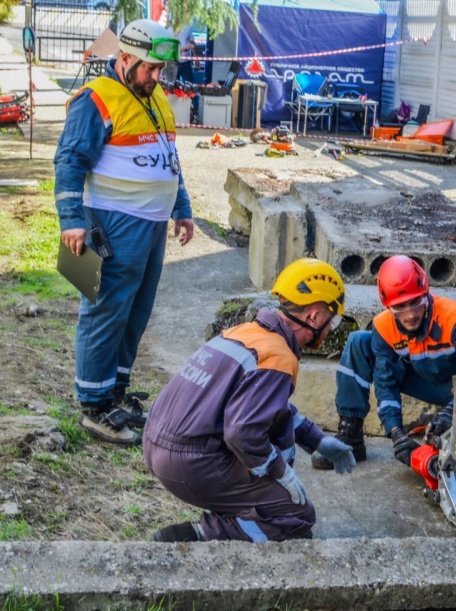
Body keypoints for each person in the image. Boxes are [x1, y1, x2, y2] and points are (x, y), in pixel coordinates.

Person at [144, 258, 356, 543]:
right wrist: (281, 472)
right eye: (333, 319)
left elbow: (268, 409)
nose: (331, 327)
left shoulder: (244, 333)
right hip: (191, 463)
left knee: (270, 458)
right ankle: (202, 535)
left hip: (156, 445)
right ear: (315, 317)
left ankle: (242, 510)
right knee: (297, 517)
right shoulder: (278, 357)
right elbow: (243, 431)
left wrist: (316, 439)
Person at [54, 19, 194, 446]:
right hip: (110, 225)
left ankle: (114, 392)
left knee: (135, 313)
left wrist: (182, 208)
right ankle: (93, 406)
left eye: (161, 70)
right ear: (126, 57)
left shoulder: (157, 99)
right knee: (104, 311)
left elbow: (168, 157)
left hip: (150, 227)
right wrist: (72, 221)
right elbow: (69, 160)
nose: (157, 77)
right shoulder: (95, 100)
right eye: (150, 68)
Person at [311, 255, 456, 470]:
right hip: (421, 378)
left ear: (426, 293)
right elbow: (385, 384)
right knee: (358, 341)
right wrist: (396, 434)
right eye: (400, 307)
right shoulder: (384, 327)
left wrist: (455, 409)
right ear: (388, 306)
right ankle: (351, 437)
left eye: (416, 302)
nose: (411, 314)